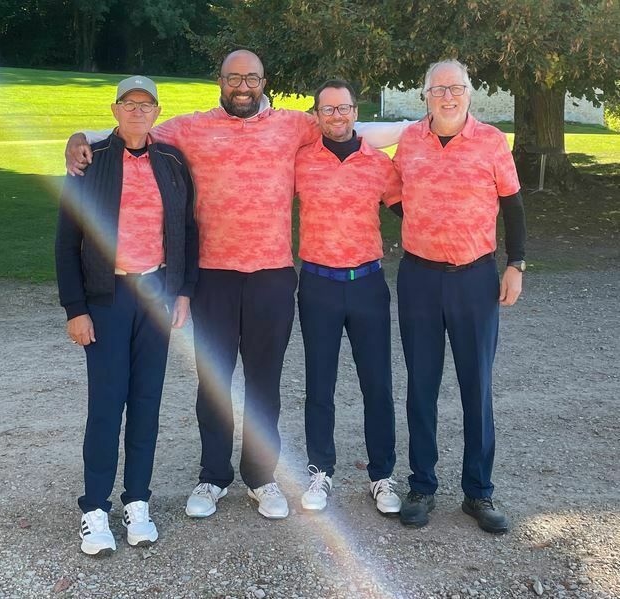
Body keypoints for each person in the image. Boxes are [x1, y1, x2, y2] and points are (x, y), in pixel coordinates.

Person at [65, 50, 409, 521]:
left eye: (251, 78)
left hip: (271, 275)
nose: (243, 86)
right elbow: (135, 129)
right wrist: (81, 137)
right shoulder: (191, 128)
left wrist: (421, 125)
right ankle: (213, 476)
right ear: (220, 81)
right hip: (213, 276)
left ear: (264, 81)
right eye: (234, 78)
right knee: (214, 383)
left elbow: (351, 127)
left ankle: (261, 477)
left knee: (264, 384)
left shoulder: (292, 125)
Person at [55, 76, 198, 555]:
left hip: (156, 294)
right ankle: (95, 508)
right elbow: (66, 242)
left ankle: (137, 500)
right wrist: (76, 309)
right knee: (106, 404)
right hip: (106, 297)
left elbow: (187, 231)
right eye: (129, 103)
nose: (138, 111)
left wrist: (183, 292)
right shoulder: (90, 160)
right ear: (115, 110)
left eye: (146, 104)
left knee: (146, 403)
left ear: (157, 111)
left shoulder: (171, 161)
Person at [392, 59, 526, 534]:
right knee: (421, 385)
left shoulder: (491, 141)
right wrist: (424, 218)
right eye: (437, 89)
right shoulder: (410, 141)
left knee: (477, 386)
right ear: (425, 96)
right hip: (419, 278)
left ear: (469, 93)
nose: (447, 97)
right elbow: (393, 192)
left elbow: (513, 204)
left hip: (475, 279)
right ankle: (422, 485)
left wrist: (516, 264)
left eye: (456, 88)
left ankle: (479, 491)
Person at [294, 80, 402, 515]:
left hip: (367, 284)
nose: (337, 116)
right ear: (316, 115)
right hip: (318, 284)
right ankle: (320, 471)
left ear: (356, 111)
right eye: (328, 109)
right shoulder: (301, 161)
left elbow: (412, 210)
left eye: (344, 108)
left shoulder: (379, 163)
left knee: (377, 384)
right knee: (319, 384)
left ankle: (382, 475)